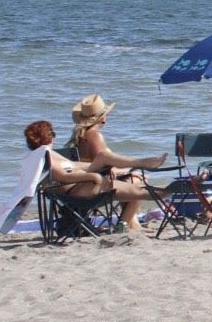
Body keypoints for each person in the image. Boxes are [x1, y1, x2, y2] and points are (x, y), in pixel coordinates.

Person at [26, 120, 164, 232]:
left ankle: (140, 164)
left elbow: (75, 166)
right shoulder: (43, 156)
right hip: (76, 190)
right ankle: (144, 165)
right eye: (53, 134)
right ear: (48, 137)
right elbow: (63, 176)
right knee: (134, 182)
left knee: (103, 157)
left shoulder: (46, 153)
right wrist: (92, 176)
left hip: (80, 182)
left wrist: (113, 169)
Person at [67, 94, 168, 180]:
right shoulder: (94, 135)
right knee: (140, 179)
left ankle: (141, 164)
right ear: (102, 118)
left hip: (85, 177)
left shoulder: (80, 134)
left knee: (135, 174)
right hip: (95, 179)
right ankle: (144, 163)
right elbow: (103, 165)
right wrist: (127, 172)